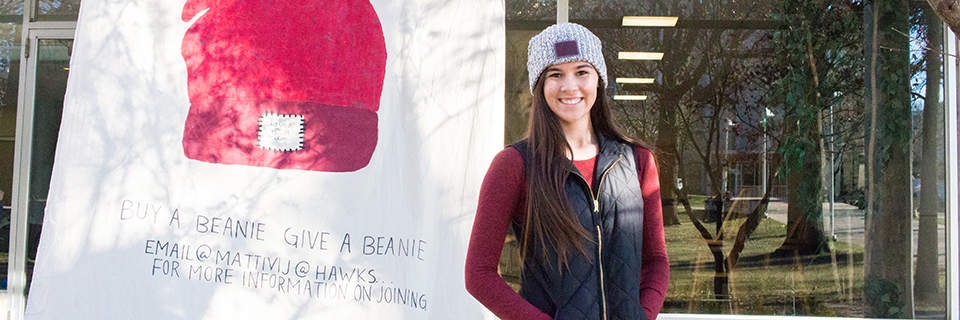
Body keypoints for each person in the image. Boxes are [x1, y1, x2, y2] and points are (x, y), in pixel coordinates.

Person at [464, 23, 669, 320]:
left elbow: (656, 261)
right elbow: (479, 274)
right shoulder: (514, 165)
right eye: (555, 74)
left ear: (599, 79)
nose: (569, 86)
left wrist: (641, 315)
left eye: (582, 71)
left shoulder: (637, 160)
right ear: (540, 86)